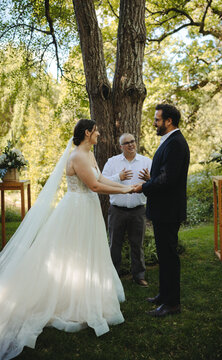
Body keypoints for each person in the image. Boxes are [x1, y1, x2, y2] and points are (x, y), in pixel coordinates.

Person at [0, 119, 133, 360]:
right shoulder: (78, 157)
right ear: (87, 133)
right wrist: (125, 191)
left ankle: (84, 293)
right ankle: (70, 301)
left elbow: (102, 180)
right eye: (96, 131)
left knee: (89, 255)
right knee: (74, 255)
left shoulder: (89, 154)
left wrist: (128, 185)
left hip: (88, 210)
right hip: (77, 211)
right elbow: (93, 186)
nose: (99, 134)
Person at [134, 104, 190, 317]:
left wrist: (144, 187)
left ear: (168, 121)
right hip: (163, 209)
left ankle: (172, 303)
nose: (154, 122)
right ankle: (163, 296)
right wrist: (152, 180)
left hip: (168, 210)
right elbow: (165, 174)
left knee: (169, 257)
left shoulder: (176, 143)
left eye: (157, 119)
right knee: (164, 256)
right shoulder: (170, 141)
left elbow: (169, 179)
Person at [102, 133, 152, 287]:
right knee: (114, 245)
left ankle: (139, 276)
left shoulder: (146, 161)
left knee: (137, 245)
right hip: (117, 210)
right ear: (121, 146)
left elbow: (156, 183)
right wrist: (119, 177)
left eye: (133, 141)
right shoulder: (112, 162)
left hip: (138, 210)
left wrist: (150, 179)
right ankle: (113, 278)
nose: (131, 145)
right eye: (127, 143)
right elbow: (101, 180)